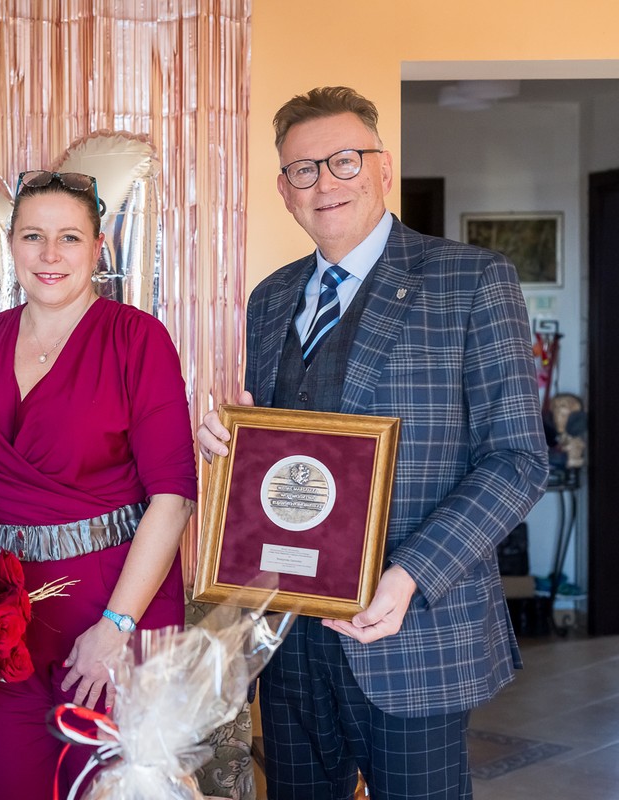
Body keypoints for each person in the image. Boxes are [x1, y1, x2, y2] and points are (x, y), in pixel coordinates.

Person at [198, 86, 548, 800]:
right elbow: (290, 453)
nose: (325, 182)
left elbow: (518, 461)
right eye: (304, 169)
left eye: (345, 160)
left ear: (382, 168)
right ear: (284, 191)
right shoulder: (270, 297)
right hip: (288, 635)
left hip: (410, 629)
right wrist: (231, 444)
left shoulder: (471, 280)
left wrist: (411, 572)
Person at [0, 169, 198, 799]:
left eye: (69, 239)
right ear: (11, 244)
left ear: (99, 247)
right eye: (33, 237)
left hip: (115, 604)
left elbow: (173, 496)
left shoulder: (138, 338)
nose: (49, 256)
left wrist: (117, 625)